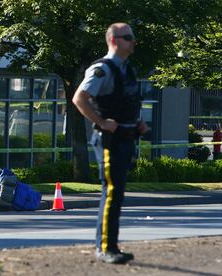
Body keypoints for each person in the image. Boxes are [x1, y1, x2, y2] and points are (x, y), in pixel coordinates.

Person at [72, 22, 148, 264]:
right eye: (127, 38)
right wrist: (101, 122)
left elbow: (126, 104)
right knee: (112, 192)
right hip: (109, 141)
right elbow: (79, 98)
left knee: (117, 194)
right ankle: (105, 248)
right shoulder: (101, 70)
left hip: (126, 138)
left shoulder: (129, 70)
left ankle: (111, 246)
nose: (133, 42)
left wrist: (137, 123)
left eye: (133, 37)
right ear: (114, 41)